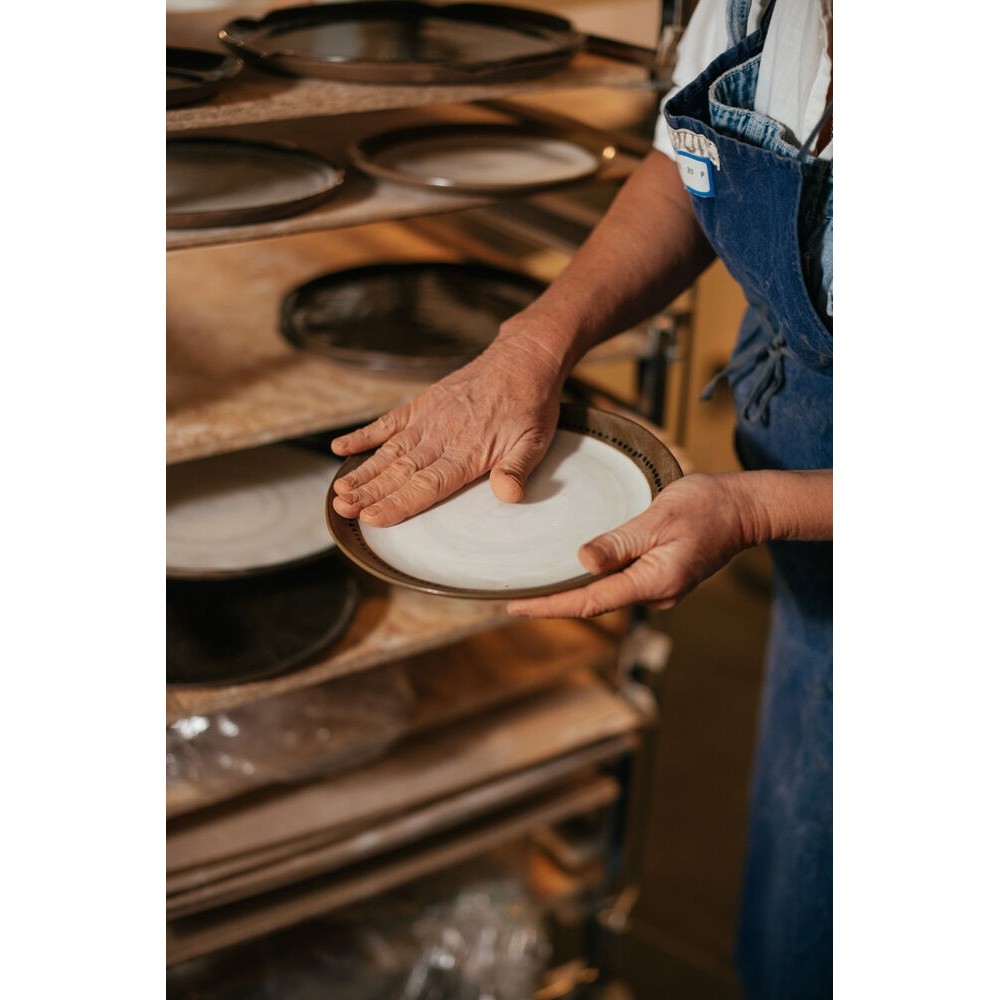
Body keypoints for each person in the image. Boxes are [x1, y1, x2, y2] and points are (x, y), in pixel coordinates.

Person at [331, 0, 833, 996]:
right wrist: (534, 341)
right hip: (817, 522)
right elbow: (689, 164)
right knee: (806, 872)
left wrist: (761, 507)